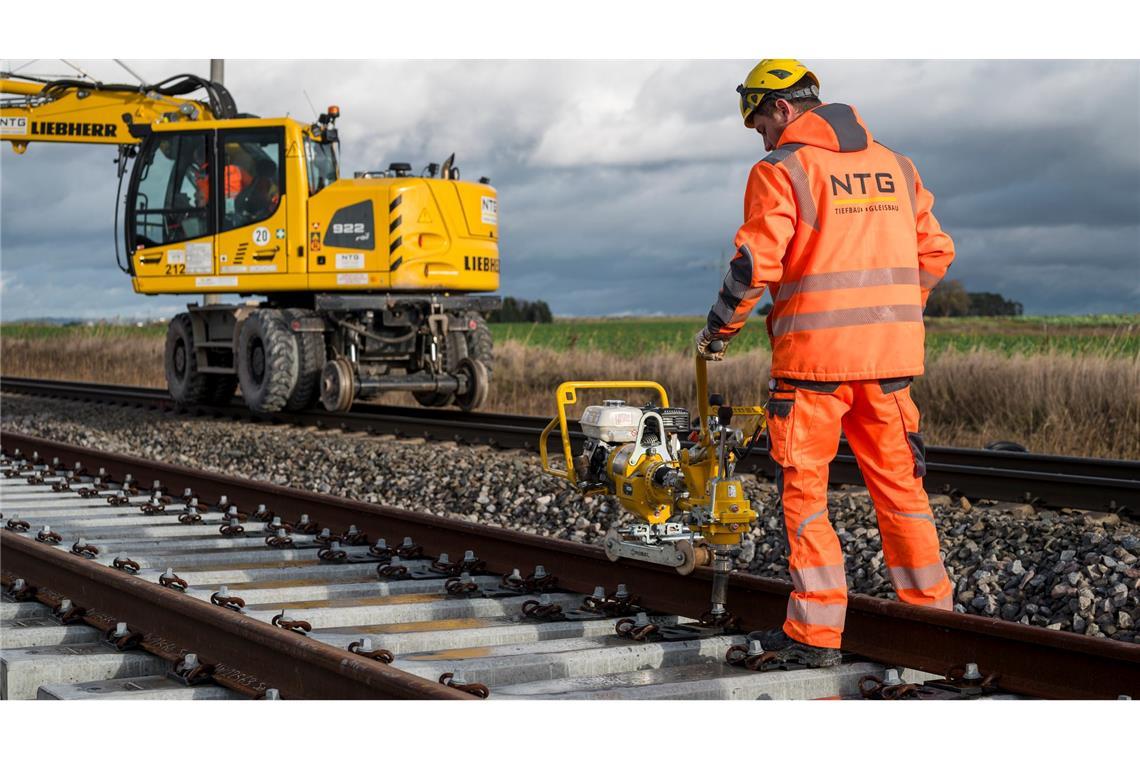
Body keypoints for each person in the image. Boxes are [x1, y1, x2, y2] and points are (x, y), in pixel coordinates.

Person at [695, 59, 956, 667]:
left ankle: (815, 634)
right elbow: (936, 251)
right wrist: (895, 314)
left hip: (812, 368)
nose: (762, 137)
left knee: (806, 494)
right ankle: (933, 622)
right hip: (890, 365)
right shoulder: (898, 165)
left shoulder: (782, 168)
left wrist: (718, 331)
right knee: (902, 491)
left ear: (781, 108)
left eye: (760, 122)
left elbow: (755, 265)